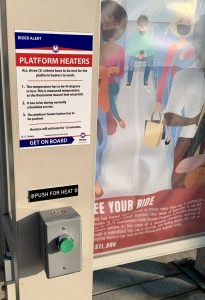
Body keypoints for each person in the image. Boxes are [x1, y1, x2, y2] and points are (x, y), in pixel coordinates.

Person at [163, 15, 205, 189]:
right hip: (190, 144)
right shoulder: (185, 76)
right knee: (181, 192)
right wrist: (193, 120)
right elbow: (169, 117)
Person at [95, 0, 127, 198]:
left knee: (103, 140)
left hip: (108, 91)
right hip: (97, 93)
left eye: (112, 23)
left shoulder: (119, 50)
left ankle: (96, 178)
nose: (109, 26)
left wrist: (109, 74)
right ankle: (95, 179)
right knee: (100, 140)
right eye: (106, 23)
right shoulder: (95, 47)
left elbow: (121, 71)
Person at [126, 15, 155, 86]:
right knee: (130, 62)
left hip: (146, 54)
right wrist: (136, 54)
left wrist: (145, 54)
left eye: (144, 26)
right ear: (137, 26)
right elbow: (129, 49)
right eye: (140, 26)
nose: (142, 29)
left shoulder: (150, 36)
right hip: (136, 54)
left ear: (147, 26)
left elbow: (153, 49)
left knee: (150, 61)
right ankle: (129, 80)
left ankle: (145, 80)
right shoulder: (134, 36)